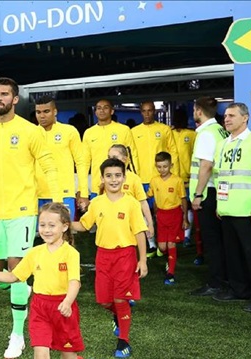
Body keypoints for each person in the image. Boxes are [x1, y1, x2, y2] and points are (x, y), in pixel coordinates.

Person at [0, 77, 60, 359]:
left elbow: (48, 165)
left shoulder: (30, 131)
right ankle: (21, 287)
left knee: (16, 268)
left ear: (15, 99)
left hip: (22, 212)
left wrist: (56, 203)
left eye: (4, 94)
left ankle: (17, 334)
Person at [0, 203, 84, 359]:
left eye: (52, 225)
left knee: (68, 354)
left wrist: (67, 302)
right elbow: (14, 276)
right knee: (40, 352)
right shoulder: (34, 253)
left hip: (63, 307)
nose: (46, 230)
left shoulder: (71, 254)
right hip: (40, 308)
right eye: (42, 225)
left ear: (65, 227)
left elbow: (74, 282)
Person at [71, 158, 148, 358]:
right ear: (102, 178)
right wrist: (64, 222)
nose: (113, 180)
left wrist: (143, 260)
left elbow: (140, 232)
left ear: (124, 177)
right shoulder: (96, 203)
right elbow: (84, 226)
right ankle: (116, 314)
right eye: (109, 176)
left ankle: (124, 341)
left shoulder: (131, 203)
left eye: (117, 175)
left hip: (125, 255)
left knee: (120, 297)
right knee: (104, 301)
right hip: (103, 256)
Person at [211, 103, 251, 312]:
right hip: (228, 209)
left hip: (248, 210)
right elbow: (221, 178)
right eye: (225, 115)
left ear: (245, 118)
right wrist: (220, 204)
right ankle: (239, 289)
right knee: (233, 253)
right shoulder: (222, 144)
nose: (226, 119)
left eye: (231, 115)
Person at [189, 97, 229, 297]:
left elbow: (206, 165)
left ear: (198, 111)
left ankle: (215, 282)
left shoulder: (206, 134)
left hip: (208, 192)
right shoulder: (220, 130)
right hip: (218, 190)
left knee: (211, 240)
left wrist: (197, 194)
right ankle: (222, 278)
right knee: (219, 239)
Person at [131, 101, 179, 255]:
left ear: (155, 112)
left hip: (161, 178)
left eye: (150, 111)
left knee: (161, 212)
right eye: (144, 111)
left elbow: (173, 152)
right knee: (145, 214)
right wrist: (135, 176)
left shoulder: (164, 129)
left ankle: (162, 242)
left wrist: (174, 175)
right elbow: (133, 155)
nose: (147, 114)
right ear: (140, 112)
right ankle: (151, 244)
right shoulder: (134, 131)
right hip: (142, 179)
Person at [34, 95, 88, 220]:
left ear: (55, 111)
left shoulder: (69, 131)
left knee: (65, 232)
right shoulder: (30, 134)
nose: (42, 116)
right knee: (43, 234)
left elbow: (80, 162)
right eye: (38, 112)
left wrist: (83, 192)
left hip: (64, 192)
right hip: (37, 194)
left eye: (46, 111)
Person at [81, 99, 139, 212]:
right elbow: (84, 163)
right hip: (97, 186)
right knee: (101, 220)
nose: (102, 110)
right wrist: (83, 191)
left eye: (105, 107)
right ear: (95, 112)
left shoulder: (124, 130)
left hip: (120, 183)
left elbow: (132, 159)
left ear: (112, 111)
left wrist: (136, 182)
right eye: (98, 108)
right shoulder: (89, 133)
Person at [146, 152, 189, 285]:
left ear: (171, 165)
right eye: (159, 167)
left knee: (171, 244)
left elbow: (183, 200)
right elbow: (150, 197)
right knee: (163, 247)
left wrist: (185, 218)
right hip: (161, 216)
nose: (162, 169)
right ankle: (168, 259)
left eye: (165, 166)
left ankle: (170, 273)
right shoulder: (154, 180)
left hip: (175, 215)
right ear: (156, 166)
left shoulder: (177, 180)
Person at [107, 144, 154, 245]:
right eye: (109, 157)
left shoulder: (134, 179)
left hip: (131, 225)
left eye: (115, 158)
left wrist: (150, 224)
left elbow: (143, 202)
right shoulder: (105, 179)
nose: (111, 161)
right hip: (113, 225)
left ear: (125, 159)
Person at [170, 108, 197, 247]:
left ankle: (187, 236)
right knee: (175, 207)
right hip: (173, 176)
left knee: (189, 207)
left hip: (189, 176)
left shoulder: (192, 134)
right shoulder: (170, 133)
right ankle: (176, 234)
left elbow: (195, 154)